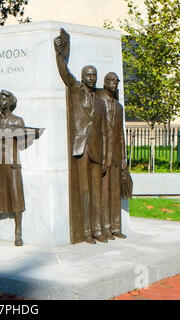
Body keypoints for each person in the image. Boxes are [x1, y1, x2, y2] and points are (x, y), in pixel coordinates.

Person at [54, 28, 108, 244]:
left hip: (95, 148)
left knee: (96, 192)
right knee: (84, 192)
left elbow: (104, 131)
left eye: (94, 75)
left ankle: (97, 229)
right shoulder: (76, 90)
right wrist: (59, 53)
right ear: (83, 77)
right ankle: (86, 232)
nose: (91, 78)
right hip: (80, 148)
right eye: (88, 75)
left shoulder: (101, 102)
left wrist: (104, 156)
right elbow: (65, 73)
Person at [0, 90, 29, 246]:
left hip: (12, 163)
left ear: (10, 102)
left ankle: (18, 233)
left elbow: (24, 143)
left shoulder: (18, 121)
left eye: (4, 99)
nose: (0, 101)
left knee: (16, 196)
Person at [98, 72, 128, 240]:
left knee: (115, 193)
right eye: (110, 80)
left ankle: (116, 227)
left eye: (116, 81)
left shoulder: (119, 107)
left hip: (116, 155)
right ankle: (105, 228)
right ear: (104, 83)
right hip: (104, 154)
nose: (113, 83)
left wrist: (123, 159)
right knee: (104, 192)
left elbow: (121, 135)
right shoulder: (100, 103)